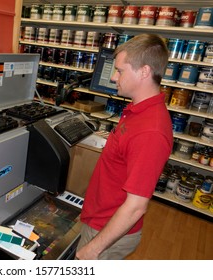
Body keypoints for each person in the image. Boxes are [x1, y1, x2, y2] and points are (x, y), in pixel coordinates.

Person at [75, 33, 174, 260]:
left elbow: (136, 207)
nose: (112, 77)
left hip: (107, 233)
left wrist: (93, 249)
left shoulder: (151, 132)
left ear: (144, 72)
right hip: (100, 217)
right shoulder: (138, 110)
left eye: (119, 70)